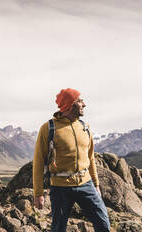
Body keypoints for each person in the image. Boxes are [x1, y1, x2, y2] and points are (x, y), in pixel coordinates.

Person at [33, 88, 110, 232]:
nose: (84, 104)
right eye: (80, 101)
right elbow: (38, 161)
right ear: (70, 104)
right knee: (58, 228)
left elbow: (91, 157)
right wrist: (38, 193)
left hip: (86, 183)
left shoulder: (84, 127)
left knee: (103, 223)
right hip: (60, 187)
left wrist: (96, 184)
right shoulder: (49, 128)